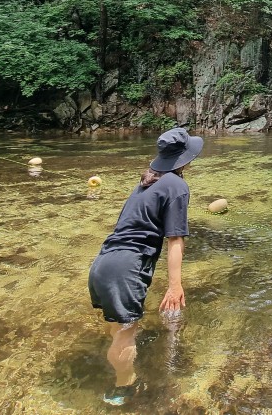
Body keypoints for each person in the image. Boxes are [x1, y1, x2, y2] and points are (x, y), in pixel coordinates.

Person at [88, 127, 203, 407]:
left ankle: (111, 366)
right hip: (126, 268)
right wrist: (175, 286)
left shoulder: (146, 182)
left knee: (118, 325)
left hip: (103, 263)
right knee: (127, 331)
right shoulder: (177, 186)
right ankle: (122, 387)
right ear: (184, 158)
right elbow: (175, 239)